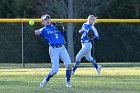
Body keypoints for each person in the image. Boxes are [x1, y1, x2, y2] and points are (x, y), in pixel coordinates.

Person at [35, 14, 72, 88]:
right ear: (43, 22)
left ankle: (68, 82)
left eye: (49, 19)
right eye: (46, 19)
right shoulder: (44, 29)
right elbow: (37, 32)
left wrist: (63, 29)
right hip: (54, 49)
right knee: (55, 70)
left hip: (62, 48)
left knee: (69, 65)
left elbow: (63, 32)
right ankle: (45, 80)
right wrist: (37, 31)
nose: (48, 20)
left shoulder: (55, 26)